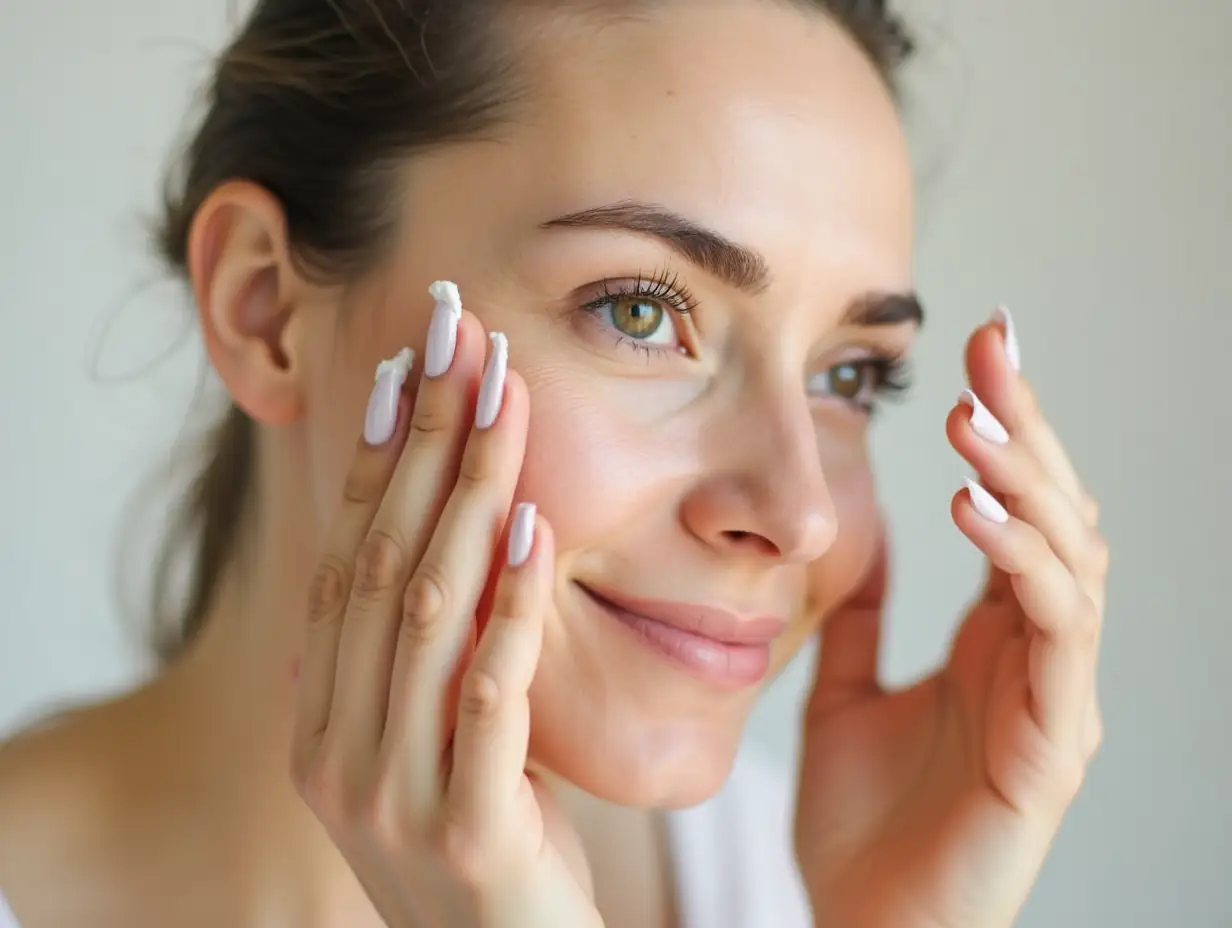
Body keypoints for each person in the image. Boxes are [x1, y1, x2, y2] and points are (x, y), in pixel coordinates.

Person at [0, 0, 1109, 925]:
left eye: (848, 375)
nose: (798, 511)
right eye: (637, 310)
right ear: (264, 308)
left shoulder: (786, 892)